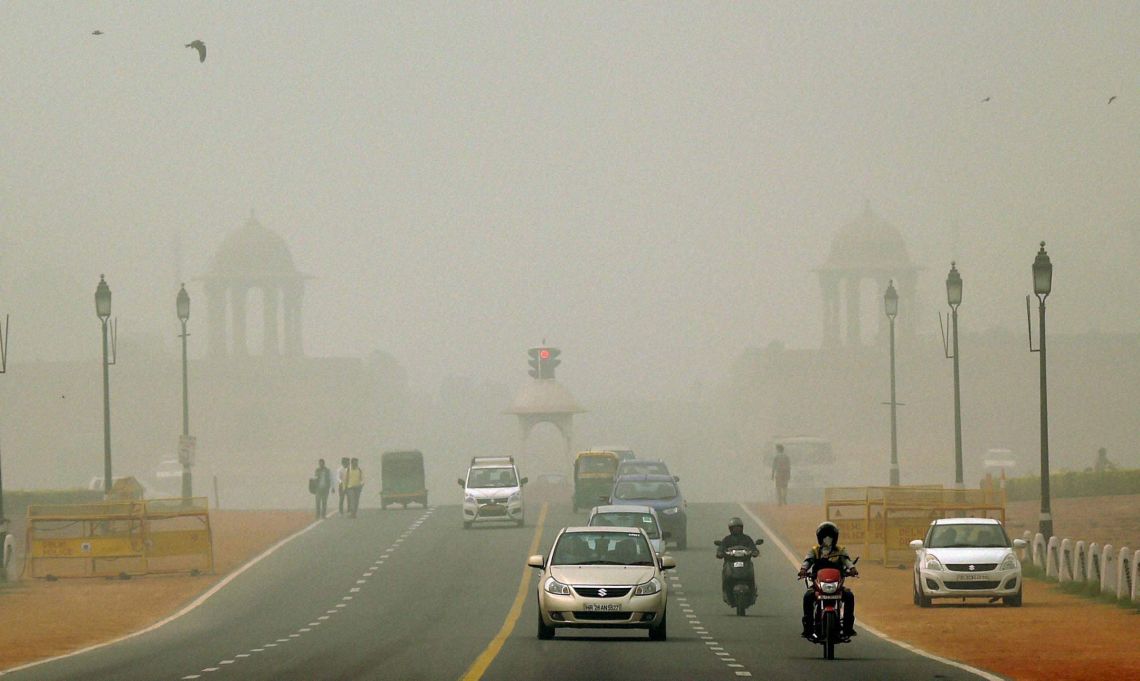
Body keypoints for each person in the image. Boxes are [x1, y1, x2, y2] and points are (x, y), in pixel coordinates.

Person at [798, 521, 857, 640]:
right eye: (825, 536)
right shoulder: (815, 551)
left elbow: (847, 561)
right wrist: (803, 569)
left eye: (830, 536)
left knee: (849, 596)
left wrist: (852, 569)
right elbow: (807, 561)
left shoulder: (841, 550)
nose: (827, 539)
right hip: (818, 584)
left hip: (836, 585)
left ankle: (847, 627)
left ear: (835, 538)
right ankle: (808, 628)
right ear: (820, 538)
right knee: (808, 596)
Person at [716, 517, 761, 603]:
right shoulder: (727, 539)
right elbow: (721, 548)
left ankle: (752, 592)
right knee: (727, 575)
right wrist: (720, 552)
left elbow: (753, 547)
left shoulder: (747, 538)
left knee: (751, 576)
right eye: (734, 528)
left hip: (745, 562)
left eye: (738, 527)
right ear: (730, 529)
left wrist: (755, 551)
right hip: (730, 563)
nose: (737, 529)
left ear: (742, 528)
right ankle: (726, 592)